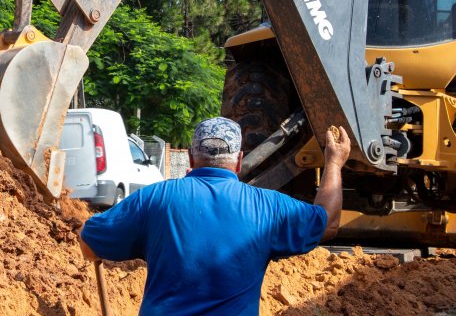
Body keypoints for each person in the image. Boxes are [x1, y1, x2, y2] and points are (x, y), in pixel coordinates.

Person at [78, 117, 351, 316]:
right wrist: (335, 163)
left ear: (190, 157)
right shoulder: (268, 207)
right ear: (239, 160)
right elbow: (329, 222)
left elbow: (90, 242)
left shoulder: (154, 198)